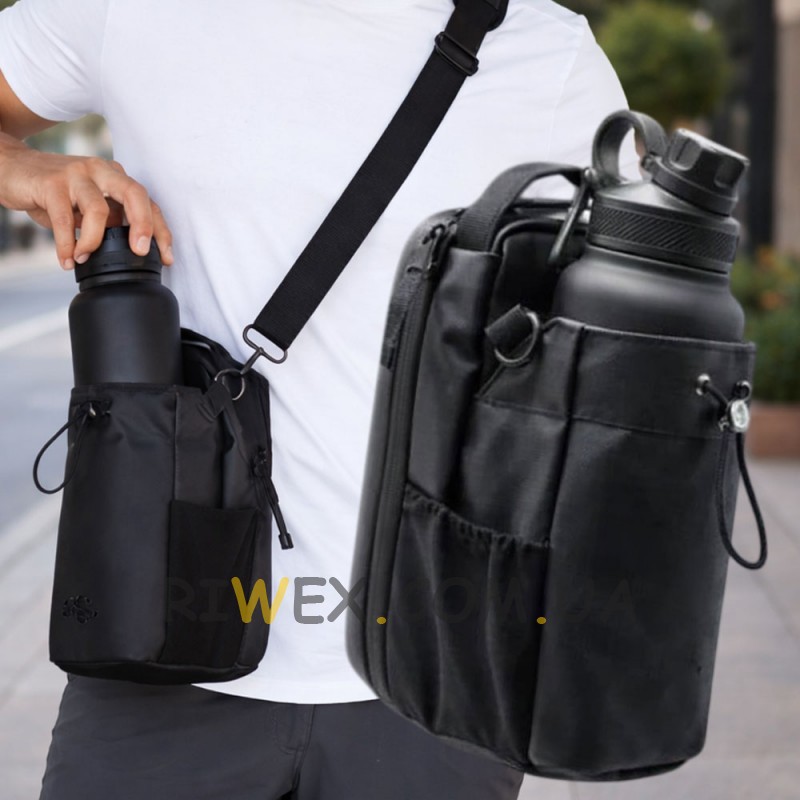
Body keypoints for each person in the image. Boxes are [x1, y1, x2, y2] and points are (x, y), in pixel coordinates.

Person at [0, 1, 636, 797]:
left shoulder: (550, 53)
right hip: (154, 638)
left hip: (434, 666)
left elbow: (622, 350)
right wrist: (28, 172)